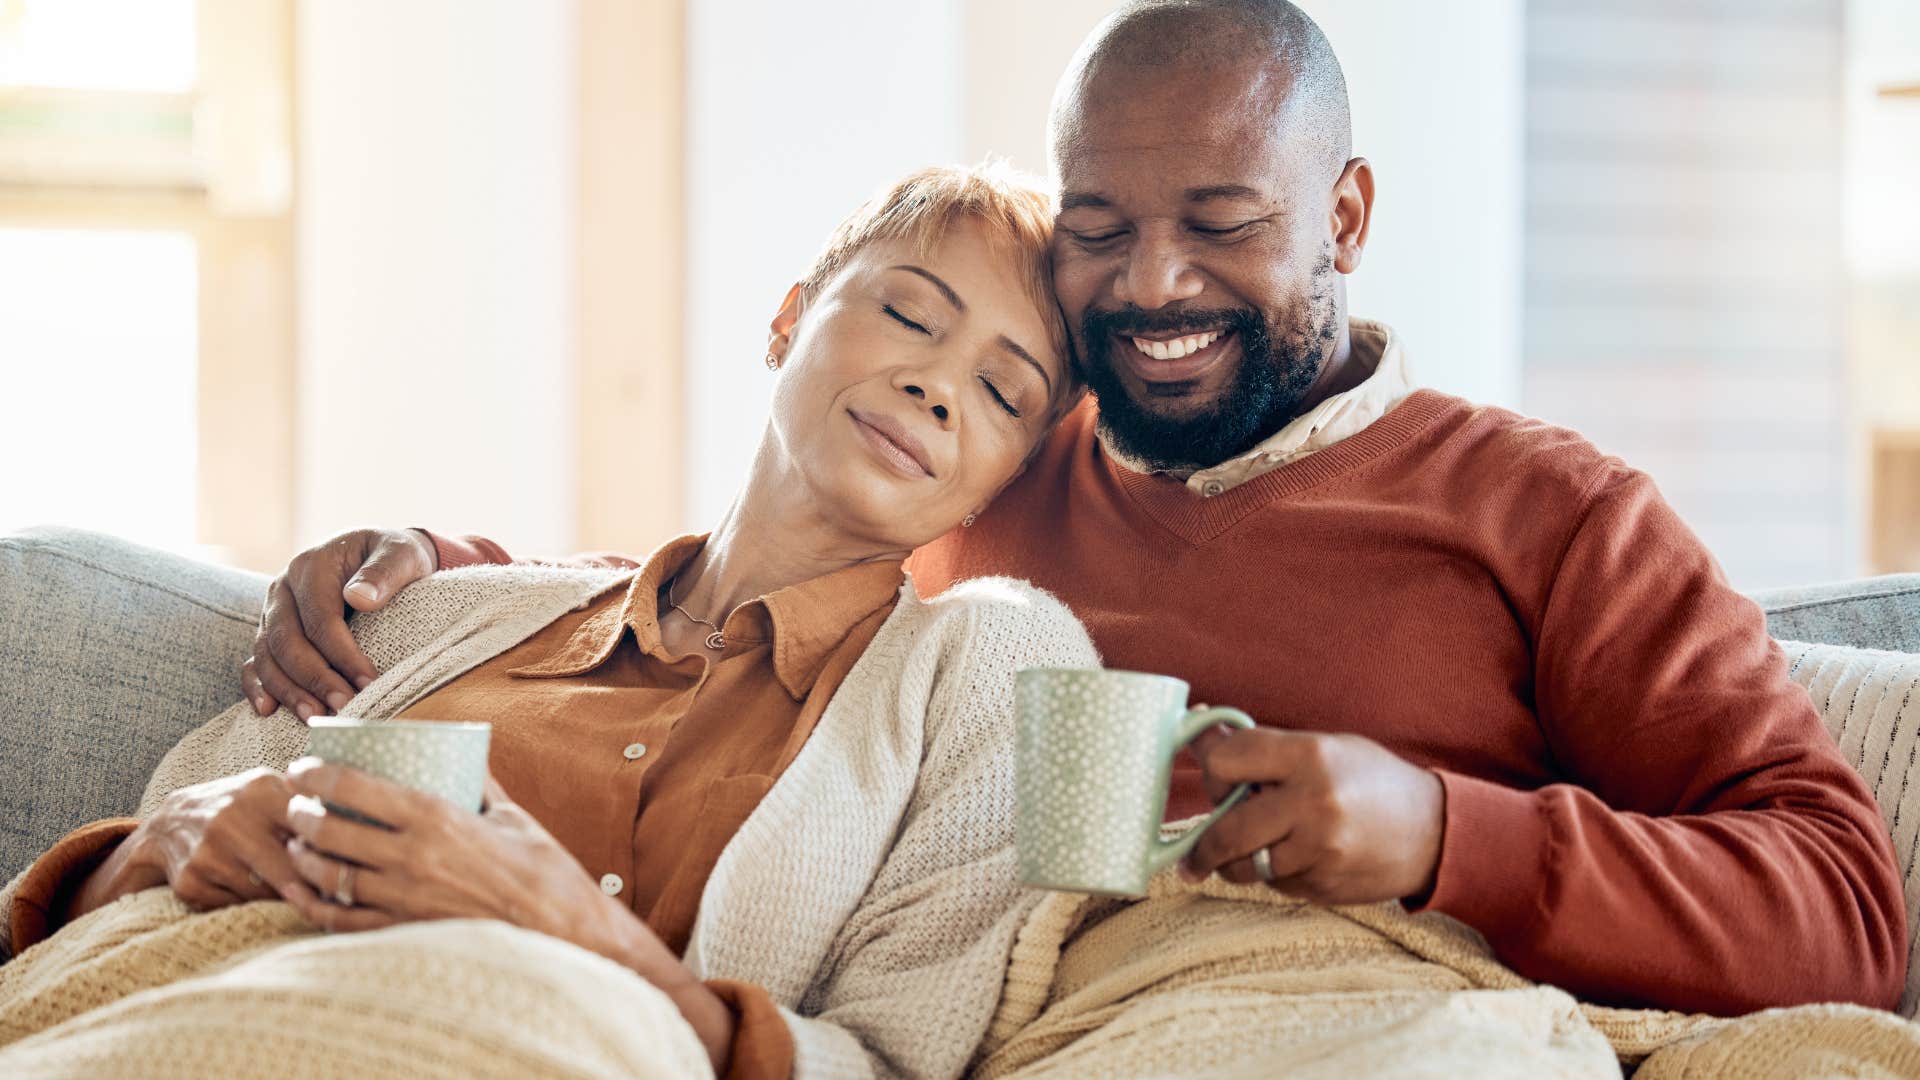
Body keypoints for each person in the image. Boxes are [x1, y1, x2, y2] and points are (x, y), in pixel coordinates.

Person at [249, 0, 1904, 1019]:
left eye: (1223, 221)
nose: (1152, 284)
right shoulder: (1007, 456)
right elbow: (748, 594)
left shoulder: (1550, 514)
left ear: (1346, 213)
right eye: (1100, 225)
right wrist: (426, 574)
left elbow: (1845, 900)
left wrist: (1442, 834)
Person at [0, 163, 1097, 1078]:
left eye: (1005, 394)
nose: (942, 386)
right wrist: (156, 841)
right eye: (910, 313)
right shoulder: (456, 614)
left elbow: (892, 1064)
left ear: (1004, 476)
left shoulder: (991, 669)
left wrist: (574, 932)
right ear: (791, 316)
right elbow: (95, 912)